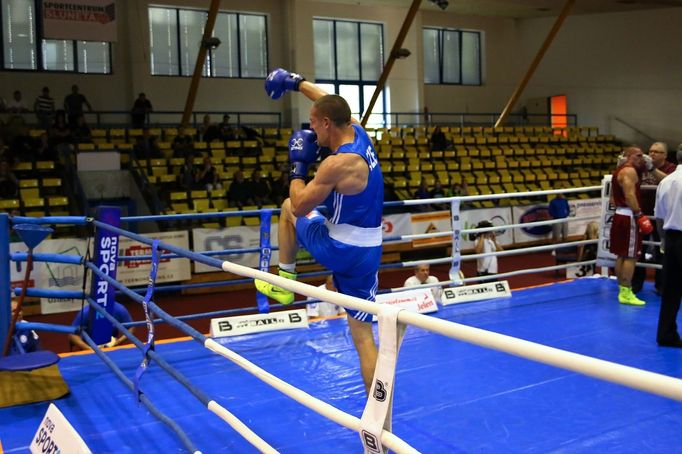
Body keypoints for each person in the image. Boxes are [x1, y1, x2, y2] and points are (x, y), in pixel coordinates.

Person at [255, 68, 383, 394]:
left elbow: (299, 206)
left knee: (286, 206)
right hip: (370, 249)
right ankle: (380, 420)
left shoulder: (335, 164)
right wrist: (297, 84)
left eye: (313, 123)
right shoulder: (359, 132)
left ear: (326, 123)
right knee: (363, 335)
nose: (310, 130)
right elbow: (325, 102)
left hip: (339, 246)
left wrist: (297, 166)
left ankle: (284, 282)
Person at [609, 146, 655, 306]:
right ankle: (626, 292)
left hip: (621, 214)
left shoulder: (621, 169)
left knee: (622, 255)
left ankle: (623, 290)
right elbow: (629, 195)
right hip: (629, 216)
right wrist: (639, 215)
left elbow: (613, 199)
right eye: (638, 156)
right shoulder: (629, 171)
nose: (642, 158)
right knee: (631, 255)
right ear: (628, 156)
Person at [631, 141, 676, 294]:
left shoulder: (671, 168)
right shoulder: (640, 167)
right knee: (638, 251)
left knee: (661, 250)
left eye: (656, 152)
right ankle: (636, 284)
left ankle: (661, 285)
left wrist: (653, 169)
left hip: (661, 216)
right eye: (650, 151)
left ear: (664, 155)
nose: (652, 154)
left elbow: (670, 182)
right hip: (642, 215)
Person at [654, 147, 682, 347]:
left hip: (672, 238)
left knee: (671, 289)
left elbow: (659, 216)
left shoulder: (666, 181)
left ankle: (666, 333)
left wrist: (664, 240)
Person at [68, 302, 135, 351]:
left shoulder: (119, 309)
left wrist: (118, 341)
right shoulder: (86, 312)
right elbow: (72, 334)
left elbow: (131, 327)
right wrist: (89, 348)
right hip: (88, 347)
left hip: (111, 347)